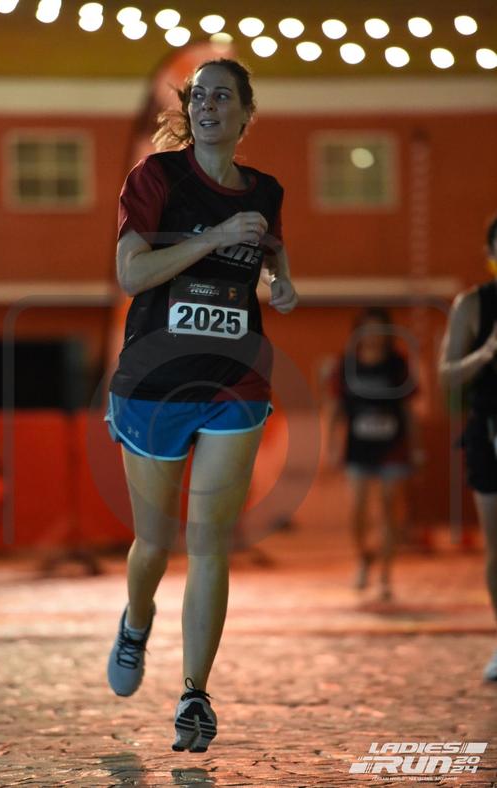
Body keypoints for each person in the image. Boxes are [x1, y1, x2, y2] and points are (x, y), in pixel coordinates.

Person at [104, 58, 298, 752]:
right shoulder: (156, 178)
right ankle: (135, 622)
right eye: (199, 97)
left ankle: (194, 695)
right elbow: (132, 274)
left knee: (210, 539)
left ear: (247, 113)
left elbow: (270, 254)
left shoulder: (266, 191)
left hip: (234, 382)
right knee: (156, 542)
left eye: (223, 96)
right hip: (155, 384)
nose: (209, 105)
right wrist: (212, 237)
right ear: (189, 111)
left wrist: (283, 282)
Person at [326, 307, 423, 601]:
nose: (374, 336)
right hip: (358, 447)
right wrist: (331, 445)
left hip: (393, 447)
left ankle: (385, 575)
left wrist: (417, 448)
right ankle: (363, 557)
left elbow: (408, 410)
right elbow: (335, 408)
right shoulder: (346, 365)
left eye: (380, 329)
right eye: (368, 329)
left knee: (389, 506)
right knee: (357, 507)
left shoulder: (398, 365)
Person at [439, 216, 497, 681]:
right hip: (490, 430)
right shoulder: (474, 304)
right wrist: (486, 352)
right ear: (491, 255)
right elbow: (446, 375)